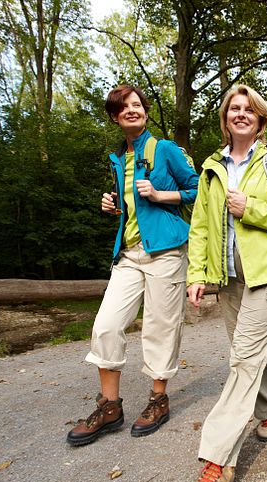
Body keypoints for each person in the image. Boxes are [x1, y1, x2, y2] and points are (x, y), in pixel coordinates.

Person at [185, 85, 267, 482]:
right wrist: (196, 274)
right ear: (226, 119)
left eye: (248, 109)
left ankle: (217, 463)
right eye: (233, 109)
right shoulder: (211, 168)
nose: (240, 114)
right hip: (229, 278)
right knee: (248, 353)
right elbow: (200, 227)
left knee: (242, 359)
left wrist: (248, 209)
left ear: (260, 119)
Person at [66, 85, 198, 446]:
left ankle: (158, 399)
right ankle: (110, 407)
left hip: (167, 251)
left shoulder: (166, 150)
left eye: (137, 105)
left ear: (145, 111)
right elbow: (131, 207)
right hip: (127, 254)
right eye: (123, 107)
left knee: (159, 328)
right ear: (114, 116)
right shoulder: (118, 158)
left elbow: (200, 188)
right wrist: (113, 206)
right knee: (105, 326)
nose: (132, 110)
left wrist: (160, 195)